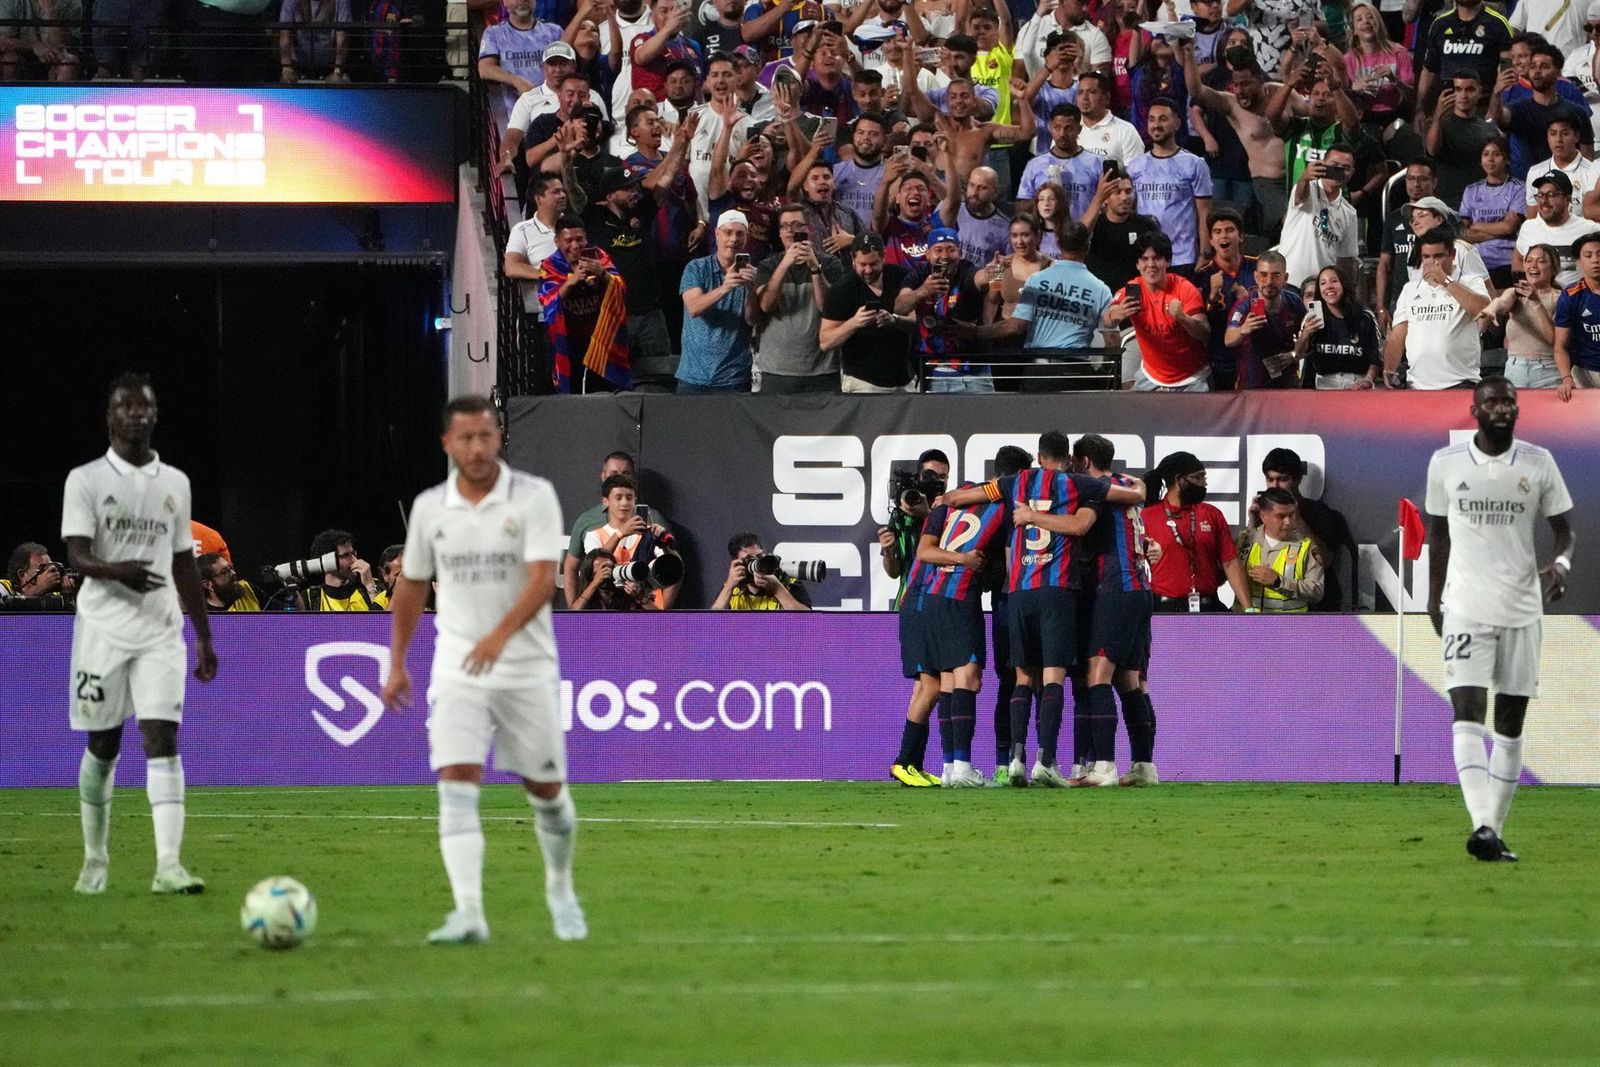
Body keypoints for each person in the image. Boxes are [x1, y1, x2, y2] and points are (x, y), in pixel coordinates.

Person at [381, 396, 585, 943]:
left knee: (546, 790)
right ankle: (469, 912)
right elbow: (412, 584)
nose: (477, 447)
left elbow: (542, 580)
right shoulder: (430, 508)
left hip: (525, 666)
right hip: (457, 666)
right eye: (466, 438)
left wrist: (498, 636)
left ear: (499, 438)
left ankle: (560, 888)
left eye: (486, 436)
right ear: (447, 444)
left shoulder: (534, 496)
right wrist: (397, 662)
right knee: (456, 780)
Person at [62, 372, 216, 896]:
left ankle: (168, 866)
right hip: (102, 627)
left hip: (159, 629)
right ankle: (95, 858)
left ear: (154, 416)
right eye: (125, 407)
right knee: (104, 744)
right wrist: (117, 571)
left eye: (144, 407)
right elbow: (76, 554)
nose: (136, 414)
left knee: (161, 738)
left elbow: (184, 564)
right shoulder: (85, 480)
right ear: (110, 417)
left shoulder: (175, 483)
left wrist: (204, 635)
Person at [1424, 377, 1575, 863]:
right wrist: (1433, 597)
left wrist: (1562, 564)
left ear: (1517, 409)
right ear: (1474, 410)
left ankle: (1494, 828)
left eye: (1509, 400)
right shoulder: (1446, 463)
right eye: (1491, 401)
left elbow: (1564, 530)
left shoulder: (1538, 462)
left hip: (1522, 608)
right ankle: (1481, 825)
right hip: (1466, 605)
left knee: (1510, 723)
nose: (1501, 407)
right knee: (1467, 710)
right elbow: (1438, 535)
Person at [941, 431, 1144, 788]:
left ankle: (1016, 760)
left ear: (1038, 456)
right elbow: (1129, 497)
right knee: (1053, 677)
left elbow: (959, 498)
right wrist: (1139, 487)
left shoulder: (1013, 482)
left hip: (1019, 592)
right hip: (1057, 591)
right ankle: (1046, 761)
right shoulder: (1078, 483)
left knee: (1022, 677)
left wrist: (945, 499)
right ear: (1069, 458)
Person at [1071, 433, 1159, 789]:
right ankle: (1144, 766)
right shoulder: (1127, 483)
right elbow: (1139, 493)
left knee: (1098, 674)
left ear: (1084, 461)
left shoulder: (1095, 488)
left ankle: (1104, 767)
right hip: (1140, 590)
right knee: (1129, 679)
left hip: (1115, 588)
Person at [975, 219, 1110, 390]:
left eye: (1025, 235)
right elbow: (993, 299)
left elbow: (1018, 324)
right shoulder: (1001, 265)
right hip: (1007, 341)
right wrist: (985, 329)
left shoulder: (1046, 269)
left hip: (1035, 344)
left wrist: (976, 333)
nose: (1020, 241)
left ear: (1037, 236)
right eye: (1014, 235)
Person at [1180, 40, 1289, 234]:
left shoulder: (1280, 93)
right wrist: (1188, 53)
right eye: (1236, 85)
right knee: (1289, 222)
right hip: (1267, 182)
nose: (1239, 91)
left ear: (1260, 79)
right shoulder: (1232, 105)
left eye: (1245, 84)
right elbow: (1197, 91)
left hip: (1296, 177)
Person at [1140, 450, 1253, 613]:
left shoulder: (1211, 514)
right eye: (1199, 477)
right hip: (1165, 609)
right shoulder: (1148, 516)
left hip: (1208, 605)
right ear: (1179, 480)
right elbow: (1134, 563)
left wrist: (1249, 609)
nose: (1204, 483)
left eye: (1204, 477)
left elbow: (1230, 562)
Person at [751, 203, 847, 392]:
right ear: (779, 233)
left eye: (796, 225)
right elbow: (765, 305)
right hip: (777, 369)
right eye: (784, 226)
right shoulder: (767, 266)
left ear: (809, 229)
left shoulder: (830, 264)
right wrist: (784, 264)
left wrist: (814, 268)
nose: (790, 231)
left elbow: (827, 308)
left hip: (822, 370)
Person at [1384, 227, 1492, 390]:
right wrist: (1389, 369)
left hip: (1460, 382)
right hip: (1416, 384)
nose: (1432, 262)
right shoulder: (1410, 289)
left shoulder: (1471, 281)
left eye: (1438, 256)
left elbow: (1484, 310)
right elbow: (1398, 334)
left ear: (1453, 255)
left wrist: (1446, 281)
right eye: (1426, 256)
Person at [1105, 232, 1211, 392]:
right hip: (1151, 376)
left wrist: (1183, 318)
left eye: (1156, 258)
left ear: (1167, 261)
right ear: (1137, 265)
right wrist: (1115, 315)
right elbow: (1106, 320)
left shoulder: (1185, 289)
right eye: (1144, 259)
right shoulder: (1133, 289)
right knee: (1129, 405)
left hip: (1192, 378)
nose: (1151, 265)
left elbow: (1204, 333)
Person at [539, 212, 632, 394]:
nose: (575, 246)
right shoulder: (550, 266)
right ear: (557, 241)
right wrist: (571, 282)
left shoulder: (598, 256)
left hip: (601, 340)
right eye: (568, 240)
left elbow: (621, 288)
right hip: (568, 343)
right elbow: (548, 302)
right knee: (573, 395)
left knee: (606, 394)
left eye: (579, 239)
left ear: (586, 238)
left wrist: (602, 274)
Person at [1260, 445, 1356, 612]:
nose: (1275, 486)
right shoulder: (1263, 514)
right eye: (1270, 479)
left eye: (1282, 479)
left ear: (1297, 479)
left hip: (1315, 608)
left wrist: (1298, 520)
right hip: (1270, 607)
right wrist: (1254, 520)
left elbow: (1326, 560)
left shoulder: (1321, 514)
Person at [820, 232, 917, 392]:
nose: (868, 270)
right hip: (863, 382)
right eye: (862, 264)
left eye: (873, 264)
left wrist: (895, 320)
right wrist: (854, 323)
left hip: (904, 380)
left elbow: (915, 321)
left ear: (884, 256)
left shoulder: (901, 277)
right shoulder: (842, 289)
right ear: (853, 259)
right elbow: (825, 342)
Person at [1126, 97, 1213, 275]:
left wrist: (1205, 253)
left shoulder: (1194, 164)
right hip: (1146, 258)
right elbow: (1130, 212)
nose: (1156, 125)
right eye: (1152, 119)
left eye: (1163, 119)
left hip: (1183, 257)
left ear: (1178, 124)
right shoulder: (1135, 166)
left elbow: (1205, 212)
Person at [901, 226, 994, 391]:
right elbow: (900, 306)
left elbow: (980, 278)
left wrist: (992, 271)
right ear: (928, 254)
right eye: (938, 250)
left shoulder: (966, 270)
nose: (945, 256)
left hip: (972, 373)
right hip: (932, 372)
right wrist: (923, 291)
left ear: (960, 253)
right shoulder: (919, 273)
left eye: (951, 250)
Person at [677, 210, 758, 392]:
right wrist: (725, 287)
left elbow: (752, 320)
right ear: (717, 234)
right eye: (728, 232)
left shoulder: (752, 275)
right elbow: (694, 308)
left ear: (746, 238)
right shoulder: (696, 268)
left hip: (734, 377)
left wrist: (752, 290)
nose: (733, 239)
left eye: (740, 234)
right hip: (693, 375)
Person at [1490, 39, 1594, 181]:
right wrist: (1496, 93)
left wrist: (1582, 184)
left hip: (1566, 185)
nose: (1537, 71)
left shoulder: (1576, 112)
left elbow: (1587, 155)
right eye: (1533, 66)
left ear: (1557, 71)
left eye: (1544, 66)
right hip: (1526, 183)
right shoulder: (1518, 109)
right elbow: (1499, 118)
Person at [1414, 0, 1514, 131]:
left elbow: (1507, 71)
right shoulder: (1440, 24)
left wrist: (1496, 106)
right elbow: (1428, 70)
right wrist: (1419, 109)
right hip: (1447, 106)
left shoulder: (1498, 23)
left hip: (1483, 107)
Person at [1477, 243, 1561, 389]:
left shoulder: (1560, 298)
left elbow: (1553, 339)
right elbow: (1502, 302)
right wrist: (1491, 309)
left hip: (1547, 370)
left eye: (1541, 261)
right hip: (1515, 369)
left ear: (1554, 268)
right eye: (1529, 261)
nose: (1533, 266)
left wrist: (1536, 303)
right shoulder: (1515, 293)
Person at [1278, 144, 1360, 290]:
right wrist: (1304, 178)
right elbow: (1300, 195)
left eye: (1345, 168)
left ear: (1352, 173)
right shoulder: (1308, 188)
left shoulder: (1349, 212)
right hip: (1289, 283)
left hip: (1320, 289)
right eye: (1334, 165)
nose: (1339, 171)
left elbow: (1346, 258)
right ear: (1324, 164)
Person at [1193, 208, 1257, 391]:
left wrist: (1248, 301)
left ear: (1241, 236)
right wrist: (1212, 297)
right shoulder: (1202, 276)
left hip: (1255, 353)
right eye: (1217, 232)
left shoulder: (1258, 267)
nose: (1224, 236)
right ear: (1211, 240)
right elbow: (1201, 326)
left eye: (1229, 230)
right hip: (1221, 358)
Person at [1224, 251, 1304, 390]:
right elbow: (1228, 340)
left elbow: (1308, 340)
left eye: (1276, 275)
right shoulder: (1245, 305)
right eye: (1263, 275)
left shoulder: (1294, 302)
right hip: (1252, 385)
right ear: (1256, 277)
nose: (1269, 282)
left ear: (1285, 278)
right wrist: (1243, 330)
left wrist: (1293, 355)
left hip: (1287, 384)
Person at [1239, 487, 1325, 612]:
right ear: (1263, 516)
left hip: (1288, 623)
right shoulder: (1245, 541)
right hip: (1244, 622)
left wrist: (1279, 582)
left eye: (1291, 515)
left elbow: (1316, 591)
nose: (1288, 522)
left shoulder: (1305, 547)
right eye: (1281, 516)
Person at [1297, 264, 1382, 390]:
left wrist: (1368, 380)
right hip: (1323, 386)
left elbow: (1375, 358)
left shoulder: (1365, 316)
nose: (1329, 286)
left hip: (1358, 384)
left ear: (1344, 284)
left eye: (1334, 281)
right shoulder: (1311, 318)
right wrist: (1306, 333)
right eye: (1323, 283)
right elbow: (1298, 354)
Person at [1424, 70, 1503, 205]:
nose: (1464, 95)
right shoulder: (1441, 125)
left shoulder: (1489, 130)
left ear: (1479, 92)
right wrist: (1438, 115)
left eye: (1470, 89)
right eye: (1458, 89)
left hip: (1480, 203)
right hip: (1447, 202)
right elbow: (1432, 150)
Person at [1458, 138, 1526, 291]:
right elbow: (1463, 233)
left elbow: (1509, 227)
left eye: (1496, 154)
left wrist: (1476, 225)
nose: (1490, 159)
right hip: (1476, 262)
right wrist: (1499, 229)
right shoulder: (1471, 190)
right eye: (1486, 154)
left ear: (1506, 159)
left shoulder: (1518, 189)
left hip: (1507, 262)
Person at [1514, 170, 1600, 285]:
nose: (1543, 201)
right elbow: (1518, 257)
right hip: (1538, 296)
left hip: (1574, 295)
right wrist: (1522, 287)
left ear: (1568, 199)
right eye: (1540, 195)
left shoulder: (1589, 229)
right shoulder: (1528, 227)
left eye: (1551, 195)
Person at [477, 0, 564, 112]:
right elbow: (485, 69)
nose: (523, 0)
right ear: (505, 2)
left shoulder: (554, 31)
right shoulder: (494, 33)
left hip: (552, 108)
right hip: (513, 111)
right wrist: (516, 81)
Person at [1553, 230, 1600, 398]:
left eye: (1599, 254)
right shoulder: (1570, 296)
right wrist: (1566, 378)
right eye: (1588, 255)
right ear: (1579, 262)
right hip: (1585, 374)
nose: (1595, 260)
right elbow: (1560, 346)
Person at [712, 533, 813, 610]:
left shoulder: (787, 583)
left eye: (759, 556)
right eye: (749, 560)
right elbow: (712, 623)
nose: (757, 563)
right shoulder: (732, 589)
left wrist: (778, 590)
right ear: (736, 564)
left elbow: (808, 622)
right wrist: (729, 586)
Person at [301, 529, 382, 611]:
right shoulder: (310, 597)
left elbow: (382, 618)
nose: (355, 560)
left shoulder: (372, 586)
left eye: (353, 553)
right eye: (346, 555)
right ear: (327, 562)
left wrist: (370, 586)